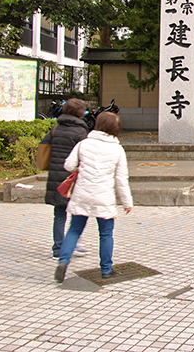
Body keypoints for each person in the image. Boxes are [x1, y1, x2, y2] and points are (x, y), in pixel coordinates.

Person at [55, 112, 133, 283]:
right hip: (103, 197)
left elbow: (68, 165)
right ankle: (106, 269)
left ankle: (63, 261)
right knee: (105, 233)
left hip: (82, 193)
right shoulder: (117, 149)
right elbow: (121, 180)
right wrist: (127, 202)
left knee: (74, 229)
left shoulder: (84, 144)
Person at [40, 98, 88, 259]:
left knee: (59, 213)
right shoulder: (81, 132)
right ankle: (74, 243)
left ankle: (58, 248)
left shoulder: (56, 129)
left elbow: (44, 147)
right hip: (74, 178)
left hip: (56, 176)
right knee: (77, 213)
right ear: (80, 113)